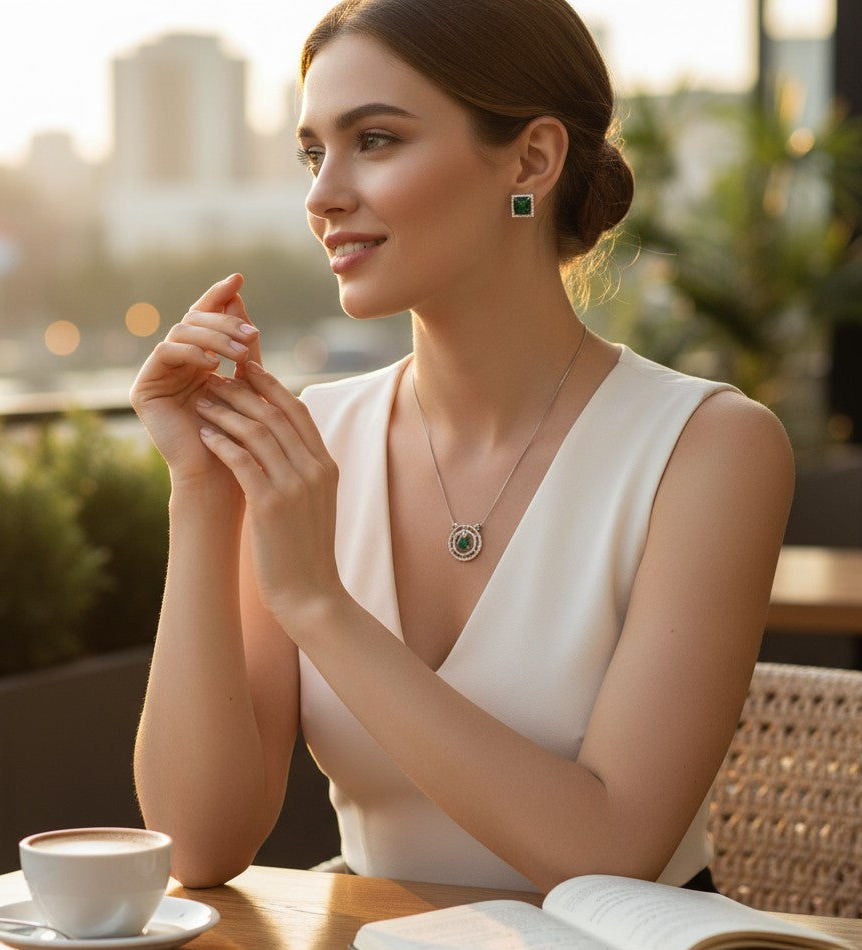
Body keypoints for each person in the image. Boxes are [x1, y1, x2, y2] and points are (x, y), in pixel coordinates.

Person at [130, 0, 794, 894]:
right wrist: (203, 494)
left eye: (375, 140)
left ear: (531, 160)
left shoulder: (708, 448)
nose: (322, 195)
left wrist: (319, 603)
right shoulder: (312, 442)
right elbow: (198, 843)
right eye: (314, 153)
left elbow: (608, 853)